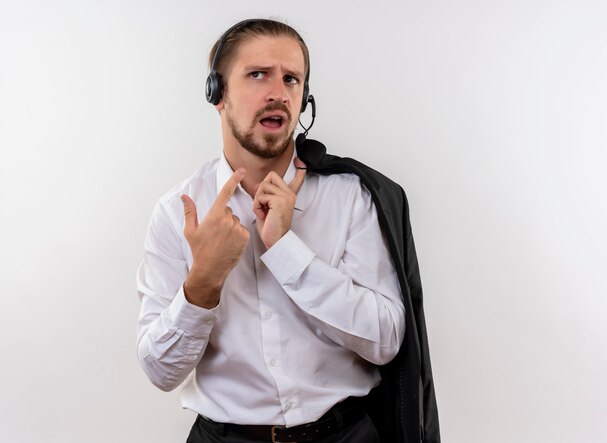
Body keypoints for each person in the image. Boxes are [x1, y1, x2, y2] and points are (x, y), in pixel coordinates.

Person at [137, 18, 436, 443]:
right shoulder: (178, 213)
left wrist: (285, 250)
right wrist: (203, 283)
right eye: (258, 74)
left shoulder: (351, 196)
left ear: (304, 98)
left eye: (291, 79)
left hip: (346, 435)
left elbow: (387, 339)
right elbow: (160, 372)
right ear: (216, 94)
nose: (278, 92)